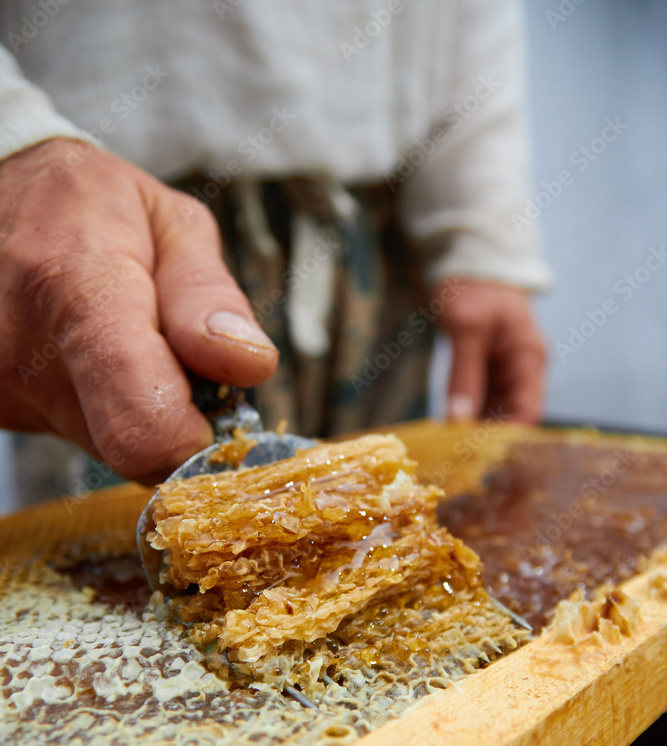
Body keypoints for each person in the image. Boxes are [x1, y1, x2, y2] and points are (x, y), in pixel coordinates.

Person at [0, 0, 550, 486]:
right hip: (111, 236)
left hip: (379, 246)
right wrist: (16, 145)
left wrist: (481, 229)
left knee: (385, 541)